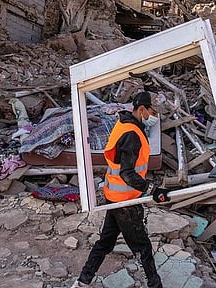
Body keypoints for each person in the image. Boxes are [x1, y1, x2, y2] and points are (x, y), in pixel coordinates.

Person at [71, 91, 171, 288]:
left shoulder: (124, 124)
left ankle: (82, 281)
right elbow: (127, 173)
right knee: (142, 246)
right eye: (153, 111)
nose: (156, 117)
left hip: (115, 196)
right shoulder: (132, 135)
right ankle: (154, 284)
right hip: (125, 200)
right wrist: (152, 189)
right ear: (141, 109)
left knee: (106, 242)